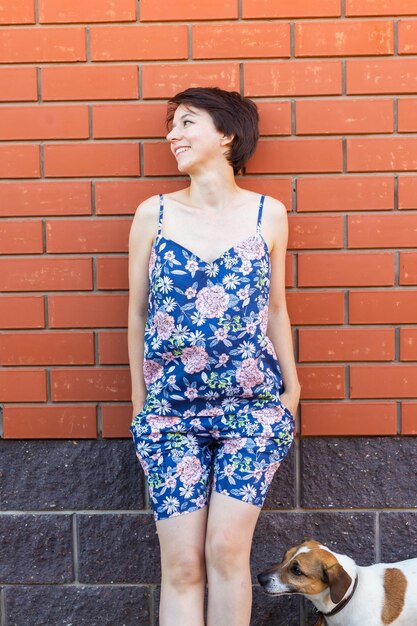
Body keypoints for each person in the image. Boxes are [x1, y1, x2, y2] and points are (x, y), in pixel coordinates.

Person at [128, 86, 301, 626]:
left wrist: (292, 391)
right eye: (171, 125)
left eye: (186, 123)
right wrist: (142, 401)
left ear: (227, 134)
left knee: (227, 552)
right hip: (170, 414)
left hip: (252, 412)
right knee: (180, 564)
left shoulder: (267, 215)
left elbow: (275, 308)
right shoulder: (153, 215)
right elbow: (136, 314)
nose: (171, 135)